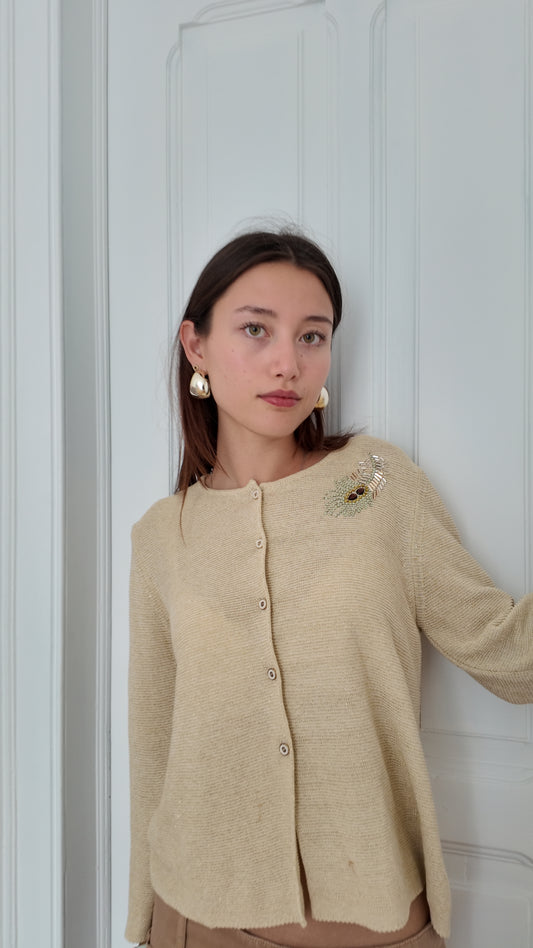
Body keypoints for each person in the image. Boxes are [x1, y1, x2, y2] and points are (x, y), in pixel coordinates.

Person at [125, 230, 532, 948]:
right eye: (256, 329)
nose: (289, 361)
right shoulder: (163, 534)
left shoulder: (374, 483)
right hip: (195, 919)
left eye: (313, 335)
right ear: (196, 347)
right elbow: (154, 744)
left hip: (370, 925)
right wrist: (143, 926)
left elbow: (511, 659)